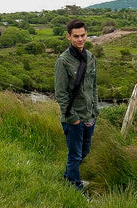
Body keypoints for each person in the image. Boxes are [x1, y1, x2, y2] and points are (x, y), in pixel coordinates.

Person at [54, 19, 99, 192]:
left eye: (83, 35)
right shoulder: (63, 61)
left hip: (89, 116)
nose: (80, 39)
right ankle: (75, 188)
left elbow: (93, 86)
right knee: (75, 155)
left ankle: (69, 177)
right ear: (68, 36)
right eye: (76, 36)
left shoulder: (91, 58)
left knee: (85, 151)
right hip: (73, 118)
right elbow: (61, 94)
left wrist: (95, 110)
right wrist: (73, 119)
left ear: (86, 34)